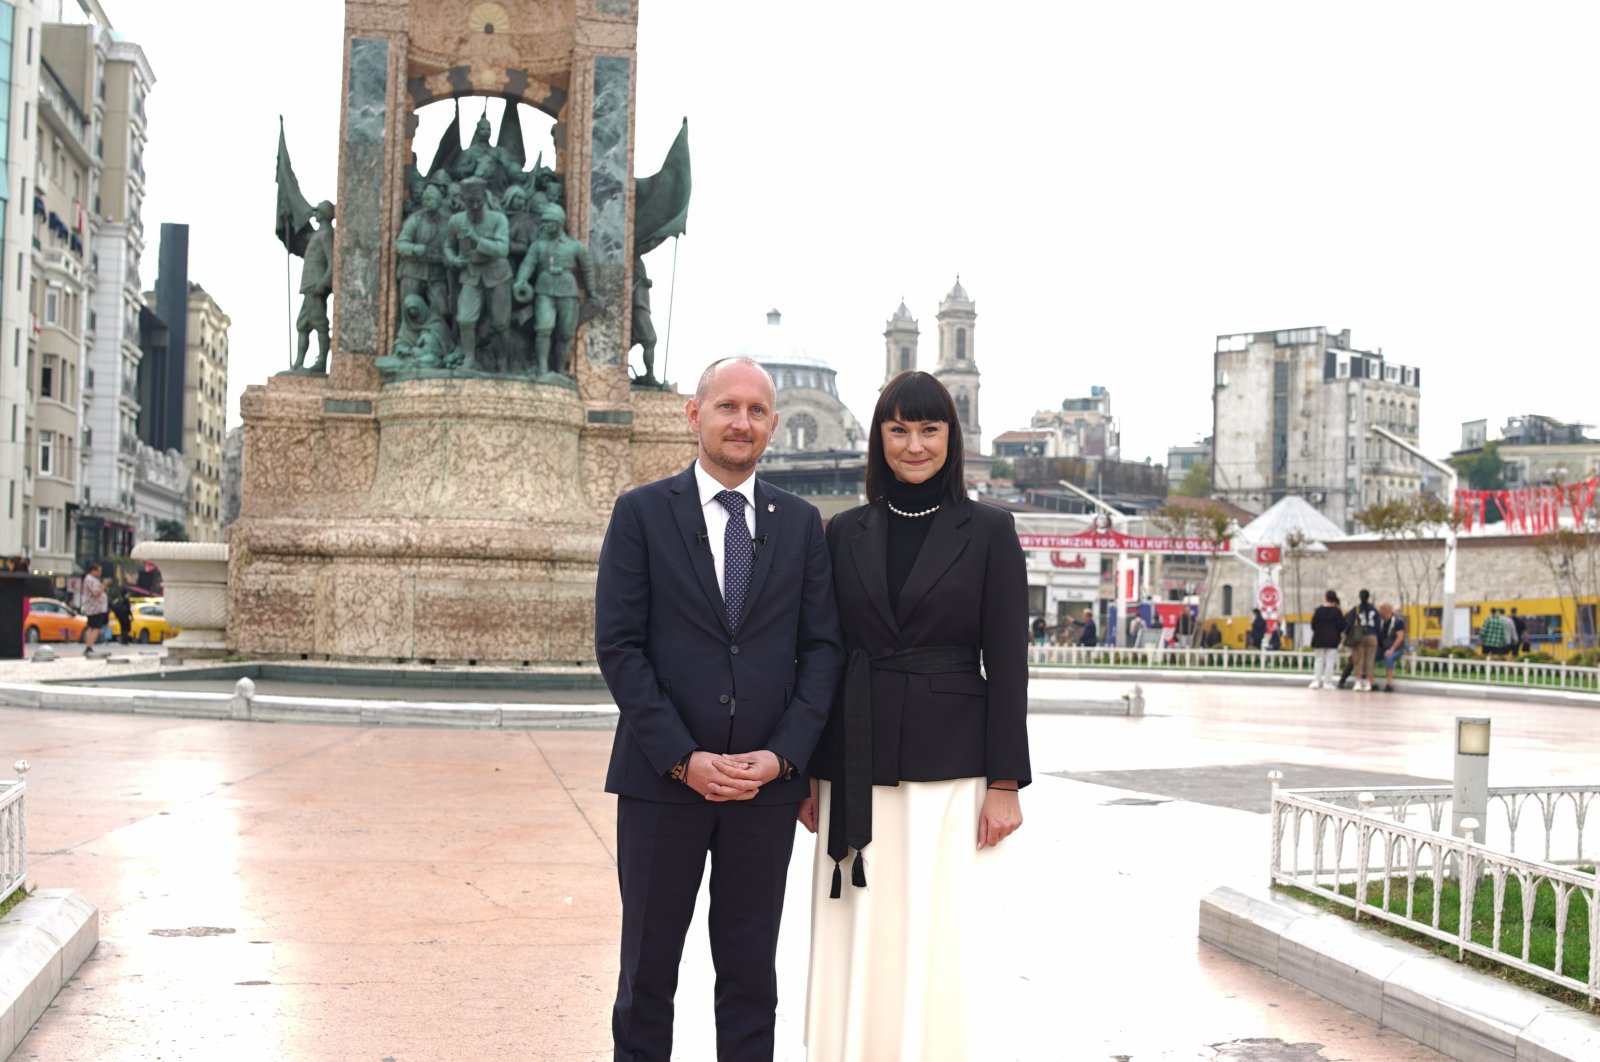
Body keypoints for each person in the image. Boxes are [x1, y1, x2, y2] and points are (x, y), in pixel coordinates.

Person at [594, 356, 845, 1062]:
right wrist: (682, 757)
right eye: (727, 407)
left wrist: (783, 757)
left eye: (757, 411)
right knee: (647, 974)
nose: (742, 422)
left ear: (772, 424)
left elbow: (823, 650)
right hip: (660, 784)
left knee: (749, 977)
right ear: (693, 413)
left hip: (763, 791)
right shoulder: (641, 514)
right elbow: (619, 647)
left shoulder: (800, 525)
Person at [800, 369, 1029, 1061]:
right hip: (854, 761)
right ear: (878, 437)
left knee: (938, 929)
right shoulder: (842, 532)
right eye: (898, 429)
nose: (914, 444)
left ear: (951, 438)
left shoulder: (989, 530)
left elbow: (1008, 661)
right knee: (859, 923)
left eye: (929, 428)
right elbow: (823, 653)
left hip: (951, 770)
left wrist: (1004, 782)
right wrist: (810, 771)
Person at [443, 176, 512, 373]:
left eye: (478, 202)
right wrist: (453, 259)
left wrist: (476, 239)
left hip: (497, 274)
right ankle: (469, 358)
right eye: (470, 202)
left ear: (484, 199)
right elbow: (448, 245)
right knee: (465, 318)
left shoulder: (498, 219)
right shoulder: (456, 221)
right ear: (464, 202)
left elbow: (502, 249)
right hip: (471, 274)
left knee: (500, 323)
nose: (474, 206)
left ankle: (502, 361)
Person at [293, 200, 336, 372]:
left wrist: (324, 282)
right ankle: (298, 362)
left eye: (318, 211)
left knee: (319, 324)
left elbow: (332, 262)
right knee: (302, 325)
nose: (315, 213)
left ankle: (321, 362)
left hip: (315, 285)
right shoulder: (317, 234)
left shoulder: (326, 234)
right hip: (309, 286)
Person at [1308, 590, 1344, 689]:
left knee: (1318, 660)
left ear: (1326, 597)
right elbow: (1341, 626)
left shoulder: (1318, 610)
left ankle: (1316, 681)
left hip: (1319, 638)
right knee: (1330, 661)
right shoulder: (1337, 611)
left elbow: (1313, 625)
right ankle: (1327, 682)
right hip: (1332, 639)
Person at [1348, 589, 1380, 691]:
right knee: (1370, 660)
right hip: (1372, 636)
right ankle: (1368, 683)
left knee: (1358, 659)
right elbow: (1378, 625)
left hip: (1359, 636)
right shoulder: (1374, 609)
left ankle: (1358, 682)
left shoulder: (1356, 609)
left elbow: (1349, 623)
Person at [1377, 602, 1408, 691]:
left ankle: (1389, 684)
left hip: (1397, 648)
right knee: (1371, 656)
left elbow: (1400, 637)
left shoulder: (1398, 621)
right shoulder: (1381, 621)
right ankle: (1371, 683)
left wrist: (1391, 649)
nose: (1379, 612)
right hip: (1383, 647)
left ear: (1385, 611)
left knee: (1389, 657)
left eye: (1381, 610)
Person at [78, 563, 109, 651]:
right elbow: (96, 593)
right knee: (95, 628)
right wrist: (104, 585)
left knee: (93, 627)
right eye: (99, 571)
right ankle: (89, 646)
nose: (100, 573)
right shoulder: (90, 580)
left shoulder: (92, 580)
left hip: (95, 608)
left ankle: (89, 645)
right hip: (94, 608)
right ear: (94, 571)